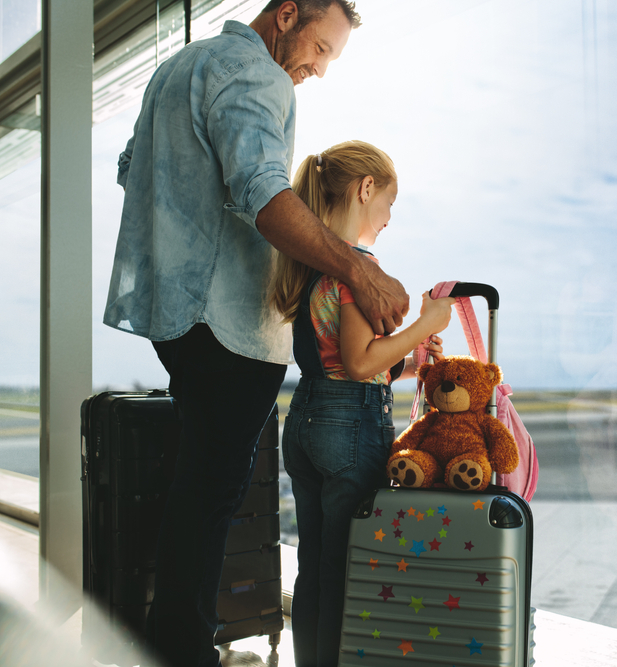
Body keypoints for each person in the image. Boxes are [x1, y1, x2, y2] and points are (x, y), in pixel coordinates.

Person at [102, 2, 409, 666]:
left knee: (196, 487)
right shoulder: (254, 73)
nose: (319, 69)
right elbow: (264, 191)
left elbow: (132, 170)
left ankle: (169, 639)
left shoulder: (176, 69)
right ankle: (181, 649)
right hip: (228, 323)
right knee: (210, 496)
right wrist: (357, 270)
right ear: (287, 15)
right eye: (320, 49)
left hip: (174, 313)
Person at [271, 141, 454, 667]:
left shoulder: (312, 264)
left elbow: (340, 356)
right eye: (389, 203)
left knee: (315, 567)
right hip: (349, 427)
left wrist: (411, 361)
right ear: (366, 189)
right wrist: (424, 325)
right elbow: (358, 362)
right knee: (345, 571)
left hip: (308, 417)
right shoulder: (360, 267)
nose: (391, 217)